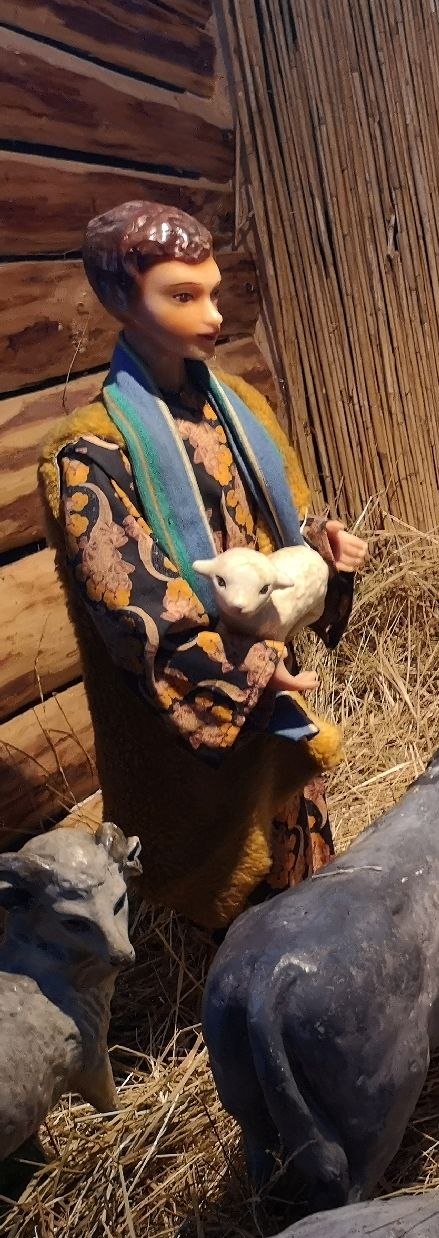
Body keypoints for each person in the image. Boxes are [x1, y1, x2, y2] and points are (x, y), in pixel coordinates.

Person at [39, 201, 366, 931]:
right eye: (183, 296)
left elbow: (288, 518)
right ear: (121, 299)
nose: (212, 316)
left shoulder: (239, 406)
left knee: (301, 860)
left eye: (213, 292)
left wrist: (324, 549)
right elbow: (134, 611)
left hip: (273, 689)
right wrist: (245, 673)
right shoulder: (89, 452)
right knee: (235, 897)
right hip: (200, 713)